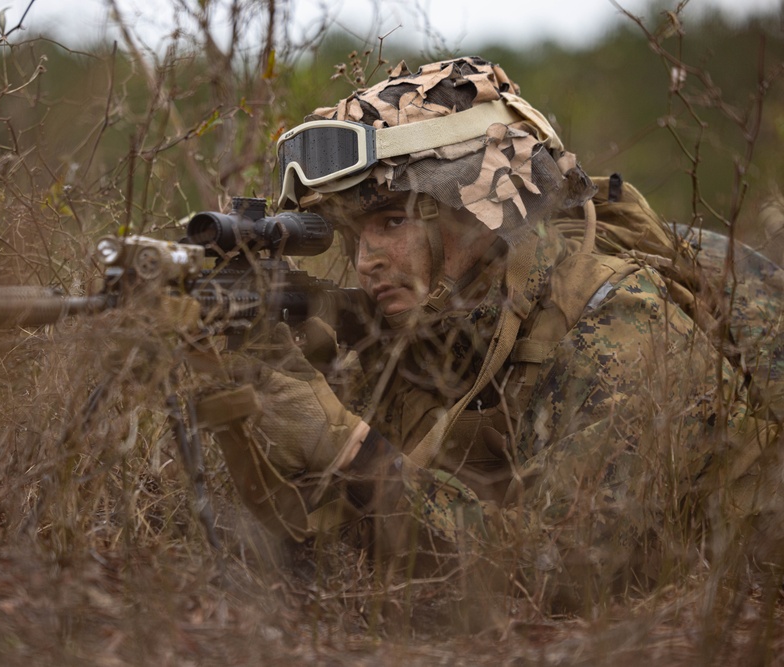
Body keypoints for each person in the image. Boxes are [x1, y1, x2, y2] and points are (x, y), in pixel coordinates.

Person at [193, 56, 784, 608]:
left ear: (479, 210)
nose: (366, 260)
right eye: (354, 235)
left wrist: (346, 445)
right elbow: (343, 555)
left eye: (392, 221)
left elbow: (558, 579)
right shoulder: (435, 332)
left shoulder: (619, 325)